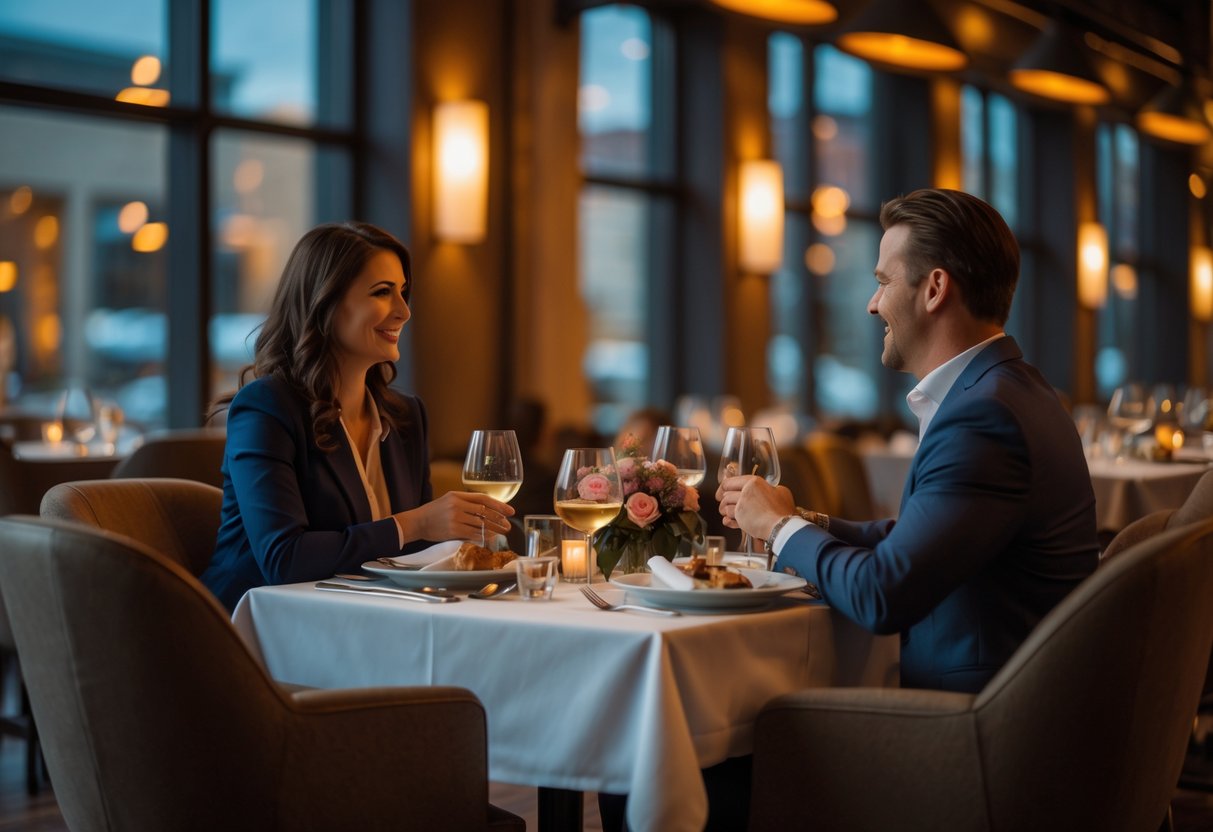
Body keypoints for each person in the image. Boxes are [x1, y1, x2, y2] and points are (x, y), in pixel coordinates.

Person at [719, 188, 1099, 694]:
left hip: (976, 726)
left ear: (935, 288)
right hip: (1020, 705)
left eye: (882, 281)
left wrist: (779, 526)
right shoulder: (1013, 391)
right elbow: (917, 543)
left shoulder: (983, 418)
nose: (873, 305)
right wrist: (805, 521)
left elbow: (882, 595)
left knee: (749, 733)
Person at [201, 222, 514, 610]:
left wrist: (468, 544)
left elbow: (414, 553)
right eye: (382, 292)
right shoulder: (266, 407)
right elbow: (284, 559)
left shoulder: (406, 416)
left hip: (369, 617)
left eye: (403, 292)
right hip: (256, 630)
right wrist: (416, 522)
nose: (403, 311)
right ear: (325, 302)